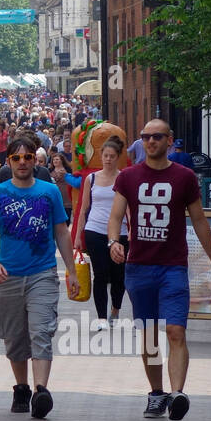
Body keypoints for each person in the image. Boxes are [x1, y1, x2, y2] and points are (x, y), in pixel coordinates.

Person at [107, 119, 211, 421]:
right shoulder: (129, 177)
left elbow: (199, 220)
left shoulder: (184, 177)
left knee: (175, 330)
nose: (150, 142)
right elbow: (116, 215)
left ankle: (177, 394)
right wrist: (113, 242)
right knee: (148, 335)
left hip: (172, 265)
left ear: (169, 140)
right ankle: (157, 393)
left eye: (156, 137)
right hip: (139, 266)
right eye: (145, 137)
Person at [0, 130, 75, 419]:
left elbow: (61, 231)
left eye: (28, 157)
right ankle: (21, 387)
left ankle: (40, 391)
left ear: (36, 160)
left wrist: (71, 271)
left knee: (41, 331)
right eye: (16, 158)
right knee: (14, 337)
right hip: (7, 275)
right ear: (8, 161)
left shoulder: (49, 192)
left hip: (42, 274)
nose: (22, 162)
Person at [75, 136, 128, 328]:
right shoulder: (92, 178)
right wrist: (78, 236)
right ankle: (101, 318)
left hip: (119, 232)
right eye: (105, 155)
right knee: (100, 273)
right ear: (101, 156)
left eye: (112, 156)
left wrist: (131, 233)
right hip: (94, 229)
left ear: (118, 157)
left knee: (118, 275)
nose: (108, 159)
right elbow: (83, 208)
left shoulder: (123, 178)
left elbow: (129, 208)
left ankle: (115, 309)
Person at [47, 150, 81, 214]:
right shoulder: (49, 171)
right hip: (55, 196)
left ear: (62, 160)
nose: (55, 161)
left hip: (66, 197)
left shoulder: (68, 170)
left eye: (57, 159)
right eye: (54, 160)